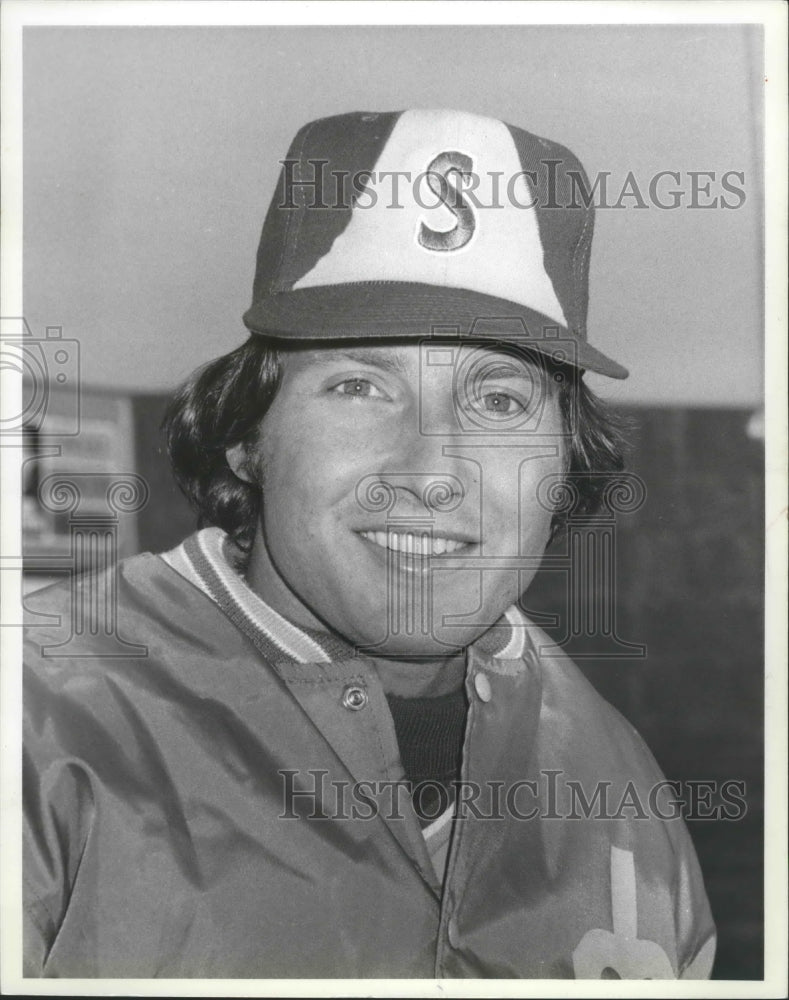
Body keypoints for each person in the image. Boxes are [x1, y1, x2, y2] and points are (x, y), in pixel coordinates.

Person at [23, 109, 716, 979]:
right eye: (359, 386)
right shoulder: (40, 707)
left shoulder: (612, 771)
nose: (431, 471)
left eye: (499, 400)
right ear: (247, 437)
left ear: (564, 464)